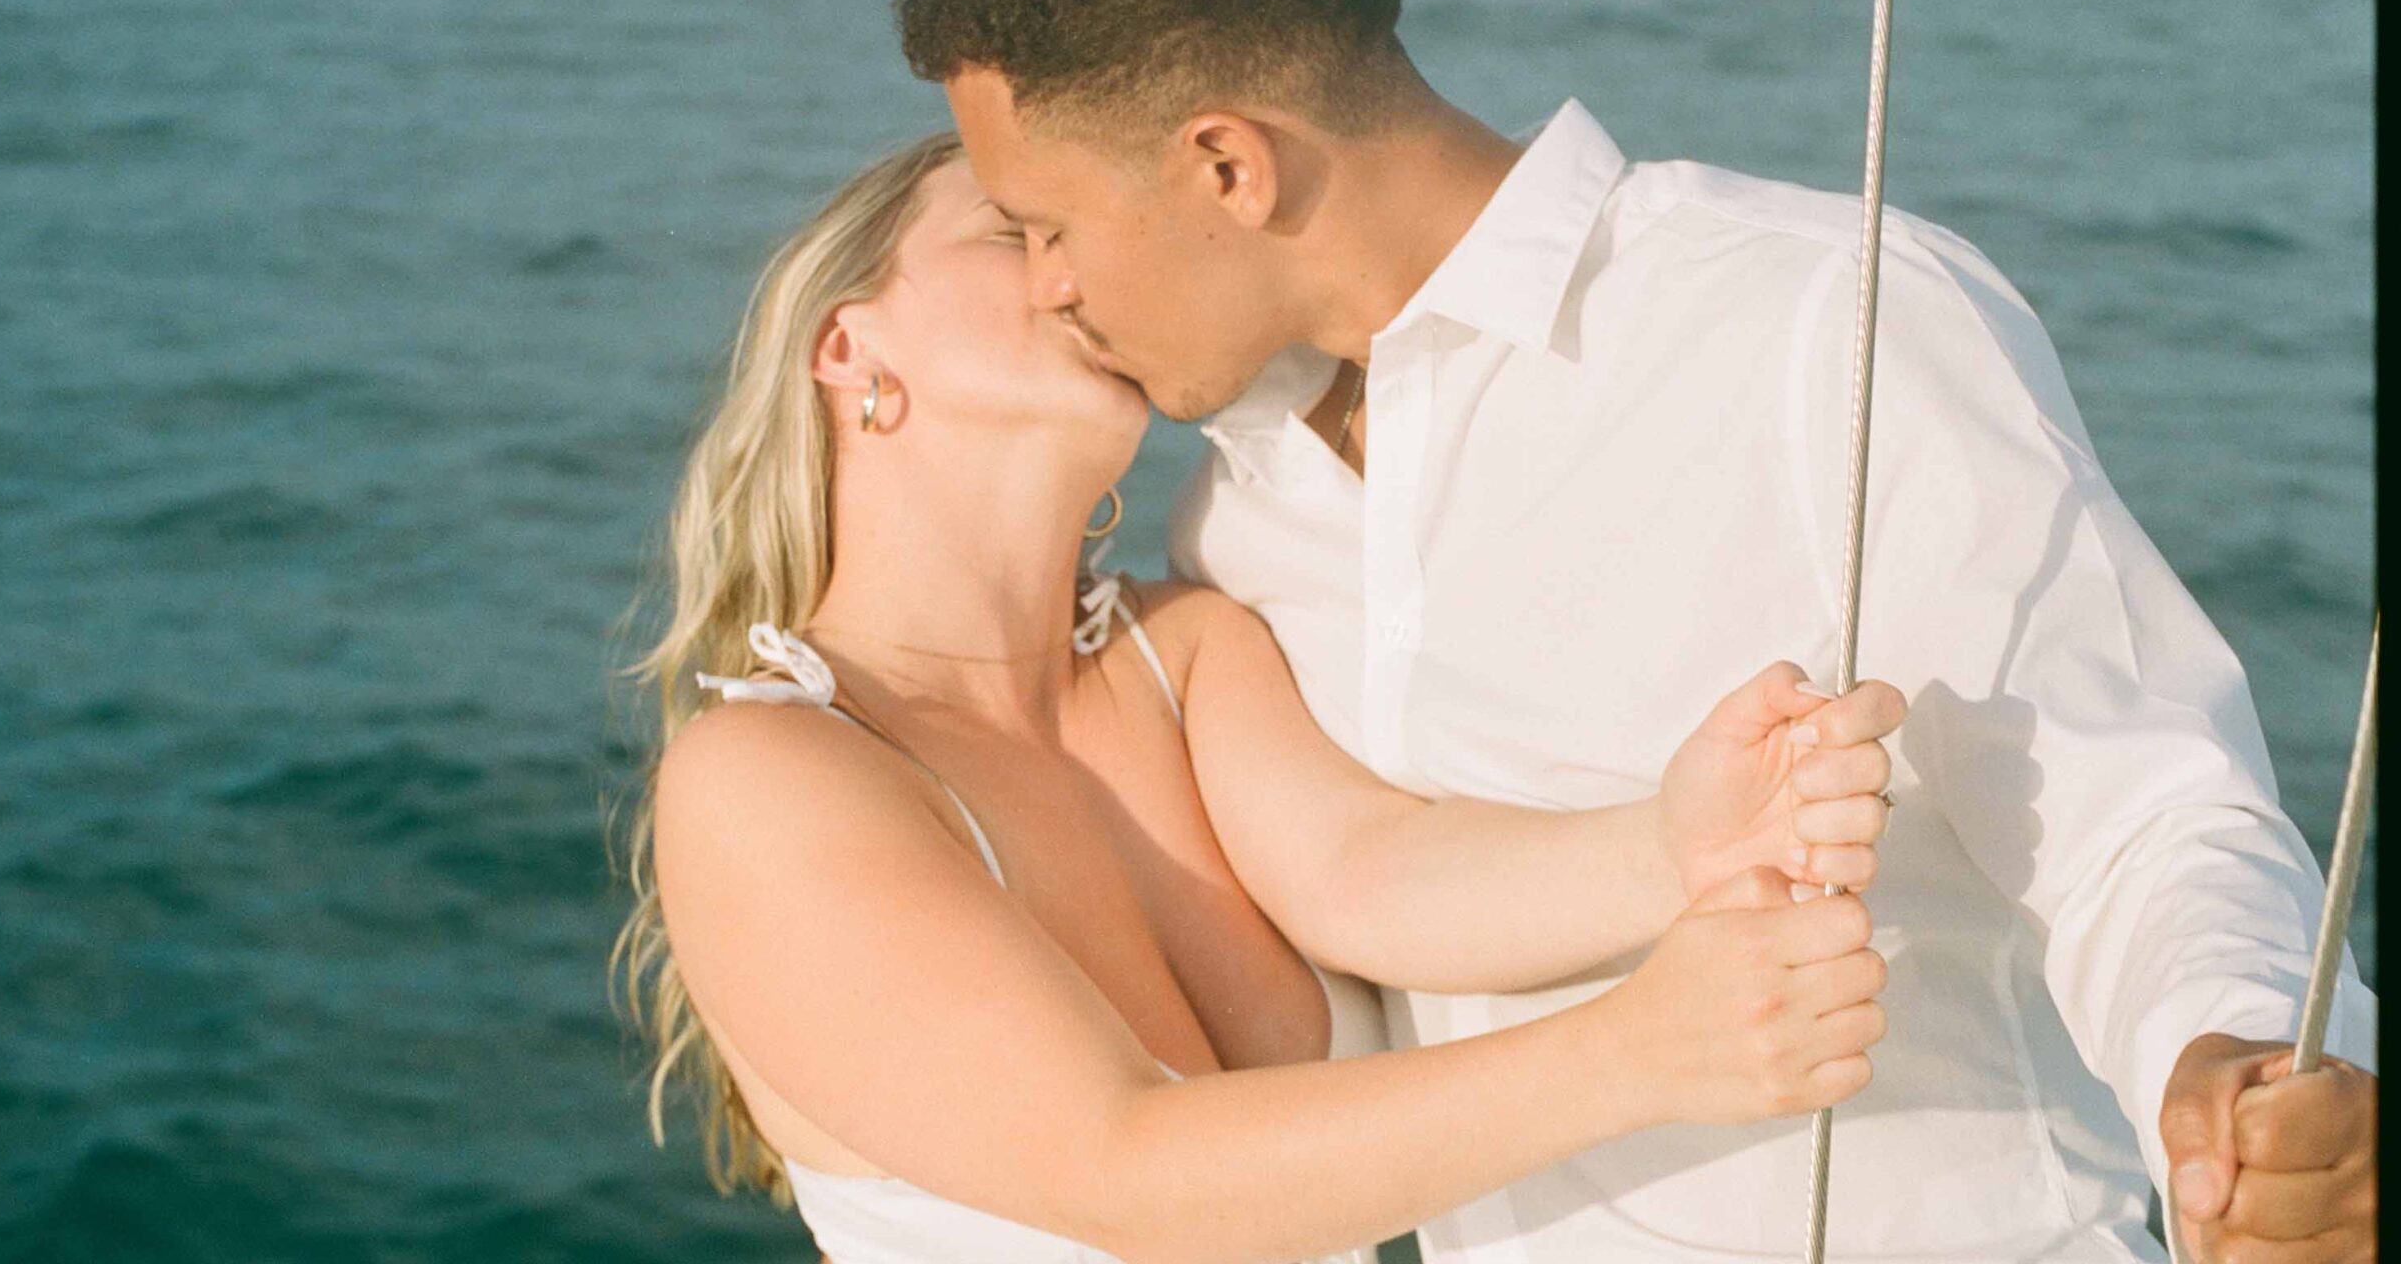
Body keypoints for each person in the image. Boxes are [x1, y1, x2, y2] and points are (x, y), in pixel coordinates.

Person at [896, 0, 2379, 1264]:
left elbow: (2136, 810)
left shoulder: (1818, 322)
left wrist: (2226, 1059)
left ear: (1229, 166)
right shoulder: (1239, 515)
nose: (1046, 288)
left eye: (1046, 227)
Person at [609, 131, 1909, 1264]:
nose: (1075, 272)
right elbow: (1123, 1173)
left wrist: (1682, 841)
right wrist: (1640, 1051)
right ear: (849, 348)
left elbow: (1372, 872)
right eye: (1018, 232)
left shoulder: (1185, 645)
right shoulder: (769, 774)